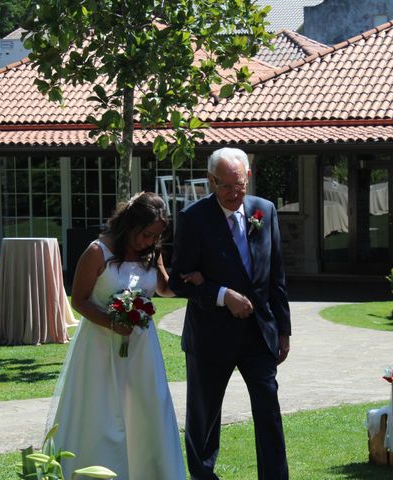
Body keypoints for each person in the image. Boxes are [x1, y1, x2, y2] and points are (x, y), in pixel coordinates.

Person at [47, 191, 200, 480]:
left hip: (142, 349)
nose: (150, 242)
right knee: (102, 412)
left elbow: (164, 288)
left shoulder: (152, 252)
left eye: (155, 236)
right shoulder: (97, 252)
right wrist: (111, 322)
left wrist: (190, 281)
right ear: (129, 224)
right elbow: (78, 300)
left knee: (147, 408)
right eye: (145, 234)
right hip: (100, 347)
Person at [169, 147, 291, 480]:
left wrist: (283, 330)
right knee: (204, 419)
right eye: (226, 186)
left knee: (269, 412)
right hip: (211, 336)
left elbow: (276, 275)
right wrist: (222, 294)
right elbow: (179, 281)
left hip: (259, 334)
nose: (235, 193)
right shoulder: (193, 219)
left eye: (240, 185)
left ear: (247, 177)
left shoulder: (263, 211)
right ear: (211, 181)